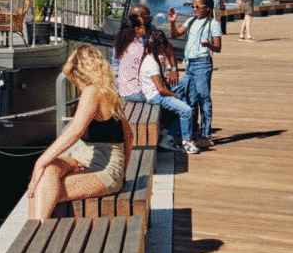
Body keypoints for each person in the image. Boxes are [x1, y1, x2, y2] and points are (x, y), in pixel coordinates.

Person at [27, 44, 134, 219]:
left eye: (75, 80)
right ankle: (37, 229)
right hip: (86, 158)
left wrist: (39, 162)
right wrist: (123, 172)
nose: (77, 86)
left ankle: (36, 232)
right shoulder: (108, 92)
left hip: (104, 169)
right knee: (49, 170)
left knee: (41, 188)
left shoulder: (92, 92)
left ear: (80, 74)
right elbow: (129, 135)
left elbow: (74, 131)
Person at [167, 0, 221, 148]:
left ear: (207, 8)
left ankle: (206, 135)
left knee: (204, 98)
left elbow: (218, 47)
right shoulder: (191, 21)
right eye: (193, 6)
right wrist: (172, 22)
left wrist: (208, 45)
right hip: (190, 64)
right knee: (190, 100)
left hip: (202, 63)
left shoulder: (213, 24)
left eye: (198, 6)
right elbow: (175, 34)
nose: (195, 9)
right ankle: (192, 132)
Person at [139, 26, 199, 153]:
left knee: (186, 98)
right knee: (186, 110)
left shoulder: (155, 58)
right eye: (163, 45)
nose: (165, 47)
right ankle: (186, 142)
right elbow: (160, 89)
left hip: (157, 93)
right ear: (157, 46)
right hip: (156, 96)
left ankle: (170, 137)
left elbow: (161, 81)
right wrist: (173, 95)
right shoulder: (151, 63)